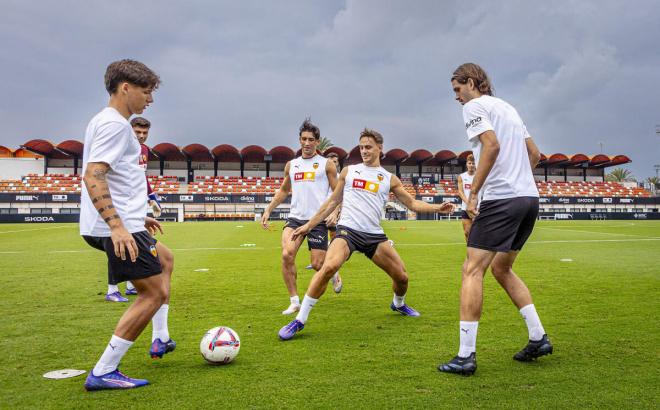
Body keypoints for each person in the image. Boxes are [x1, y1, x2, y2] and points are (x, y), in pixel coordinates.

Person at [278, 128, 454, 340]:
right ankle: (299, 320)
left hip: (374, 236)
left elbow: (412, 203)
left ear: (380, 148)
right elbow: (332, 201)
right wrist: (309, 225)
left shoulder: (389, 179)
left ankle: (398, 304)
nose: (364, 151)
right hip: (347, 232)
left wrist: (438, 208)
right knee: (328, 267)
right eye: (361, 147)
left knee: (402, 277)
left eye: (368, 147)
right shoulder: (349, 172)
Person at [438, 63, 552, 376]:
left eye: (457, 90)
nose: (457, 97)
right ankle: (538, 337)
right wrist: (519, 180)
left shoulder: (475, 106)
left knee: (472, 269)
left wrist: (474, 192)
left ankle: (465, 356)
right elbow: (536, 154)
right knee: (502, 268)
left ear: (472, 83)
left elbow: (491, 145)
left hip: (501, 200)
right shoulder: (509, 109)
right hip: (528, 199)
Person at [80, 59, 175, 391]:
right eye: (146, 92)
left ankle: (160, 338)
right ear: (126, 88)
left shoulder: (109, 122)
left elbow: (120, 178)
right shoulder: (115, 126)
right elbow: (94, 174)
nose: (150, 100)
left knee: (165, 260)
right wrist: (118, 226)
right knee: (153, 294)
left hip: (128, 222)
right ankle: (104, 370)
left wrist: (137, 216)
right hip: (116, 228)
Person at [261, 119, 343, 314]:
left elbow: (338, 192)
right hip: (295, 218)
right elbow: (283, 190)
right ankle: (294, 301)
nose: (306, 143)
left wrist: (335, 212)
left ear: (317, 141)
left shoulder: (327, 165)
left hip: (317, 221)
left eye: (311, 139)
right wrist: (268, 209)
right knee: (287, 254)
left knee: (318, 265)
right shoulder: (292, 165)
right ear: (299, 140)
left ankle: (334, 274)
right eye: (303, 139)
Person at [104, 116, 162, 301]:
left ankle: (131, 285)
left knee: (135, 243)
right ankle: (112, 289)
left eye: (145, 132)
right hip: (119, 205)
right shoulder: (119, 147)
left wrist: (152, 197)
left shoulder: (144, 150)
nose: (142, 136)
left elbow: (141, 176)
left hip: (135, 204)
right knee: (118, 247)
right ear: (130, 131)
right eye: (138, 132)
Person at [324, 151, 343, 293]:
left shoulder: (343, 177)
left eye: (335, 162)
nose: (333, 164)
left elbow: (341, 197)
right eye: (331, 161)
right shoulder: (322, 177)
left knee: (337, 241)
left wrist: (335, 212)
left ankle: (335, 274)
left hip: (338, 212)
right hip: (321, 211)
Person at [457, 154, 476, 242]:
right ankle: (470, 252)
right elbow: (460, 192)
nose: (471, 165)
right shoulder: (461, 176)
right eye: (470, 163)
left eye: (473, 163)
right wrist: (468, 203)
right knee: (467, 232)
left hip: (478, 207)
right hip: (466, 208)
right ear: (466, 164)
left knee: (478, 233)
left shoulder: (479, 176)